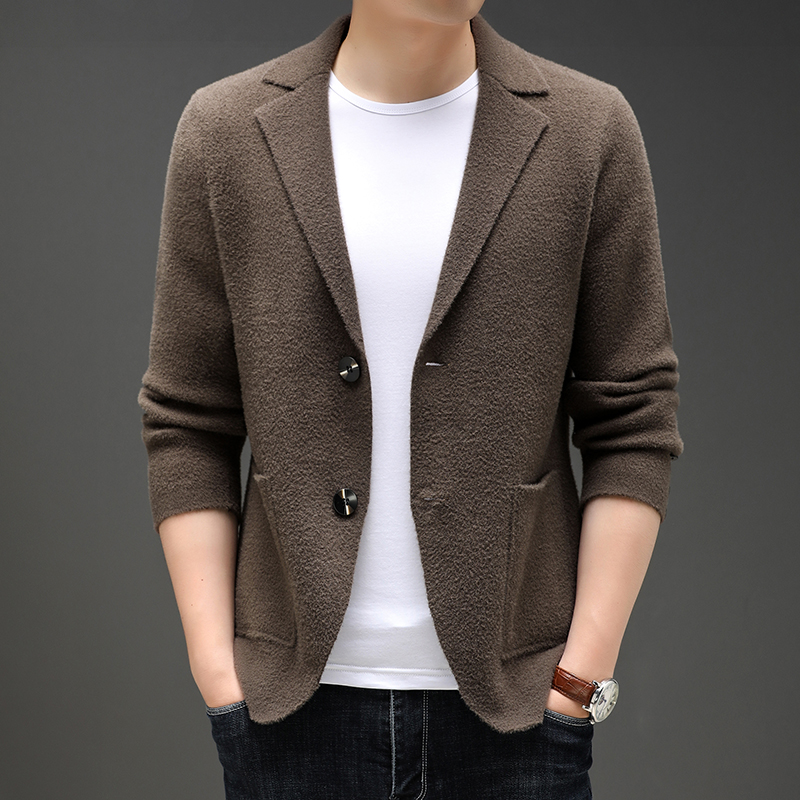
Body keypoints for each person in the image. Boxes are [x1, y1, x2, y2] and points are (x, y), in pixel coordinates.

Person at [138, 1, 683, 797]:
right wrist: (217, 669)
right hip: (290, 712)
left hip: (516, 716)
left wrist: (578, 681)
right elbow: (187, 416)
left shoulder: (586, 130)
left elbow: (634, 415)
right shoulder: (226, 132)